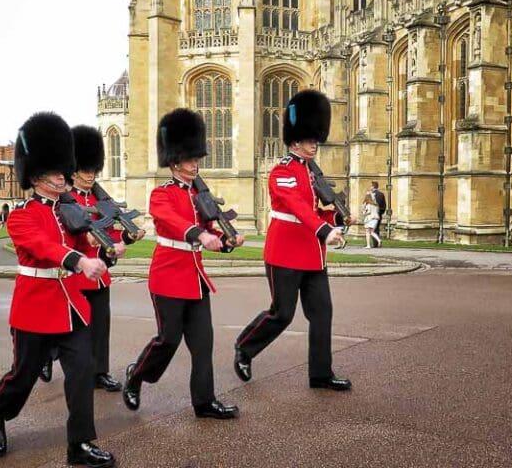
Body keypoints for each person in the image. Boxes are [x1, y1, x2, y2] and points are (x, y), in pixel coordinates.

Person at [0, 112, 116, 467]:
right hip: (35, 309)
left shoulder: (68, 213)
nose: (64, 176)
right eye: (58, 172)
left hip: (71, 306)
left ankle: (80, 445)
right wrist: (80, 261)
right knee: (22, 377)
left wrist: (104, 249)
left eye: (64, 170)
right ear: (38, 175)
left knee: (82, 371)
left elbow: (87, 245)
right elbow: (45, 248)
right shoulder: (21, 216)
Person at [122, 108, 242, 420]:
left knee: (203, 344)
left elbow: (211, 231)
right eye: (190, 159)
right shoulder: (160, 194)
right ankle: (136, 375)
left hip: (195, 277)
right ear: (174, 161)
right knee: (168, 340)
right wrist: (200, 234)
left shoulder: (200, 196)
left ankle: (204, 402)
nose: (195, 164)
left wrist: (227, 240)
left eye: (196, 158)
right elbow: (171, 221)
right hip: (168, 275)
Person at [234, 89, 353, 392]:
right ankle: (245, 348)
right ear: (295, 140)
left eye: (316, 139)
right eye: (309, 140)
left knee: (322, 313)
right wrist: (325, 231)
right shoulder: (282, 171)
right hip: (285, 253)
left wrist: (337, 220)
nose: (315, 144)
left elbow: (315, 212)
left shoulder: (314, 175)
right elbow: (298, 209)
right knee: (282, 314)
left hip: (312, 256)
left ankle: (321, 374)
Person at [69, 125, 146, 392]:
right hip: (75, 276)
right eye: (85, 170)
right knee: (71, 330)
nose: (90, 175)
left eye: (93, 170)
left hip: (100, 275)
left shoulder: (100, 199)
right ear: (74, 170)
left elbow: (113, 232)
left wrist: (128, 237)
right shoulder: (67, 201)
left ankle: (99, 372)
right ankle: (48, 356)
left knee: (100, 327)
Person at [369, 181, 386, 247]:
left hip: (372, 214)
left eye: (371, 186)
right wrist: (381, 212)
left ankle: (376, 243)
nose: (370, 188)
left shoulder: (371, 195)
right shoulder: (381, 194)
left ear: (373, 187)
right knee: (377, 228)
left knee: (372, 229)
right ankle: (377, 242)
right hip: (379, 214)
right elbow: (384, 205)